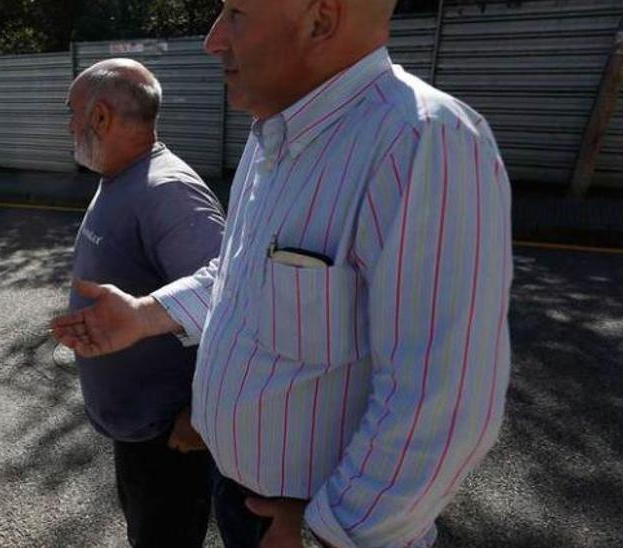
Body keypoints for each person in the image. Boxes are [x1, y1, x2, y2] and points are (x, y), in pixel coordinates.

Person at [52, 1, 513, 546]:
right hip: (248, 499)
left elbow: (447, 400)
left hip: (312, 526)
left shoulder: (423, 141)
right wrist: (145, 314)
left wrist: (331, 531)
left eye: (237, 14)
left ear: (320, 19)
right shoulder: (271, 136)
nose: (213, 40)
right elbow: (236, 275)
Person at [65, 59, 227, 547]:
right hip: (137, 430)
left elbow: (227, 301)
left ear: (100, 118)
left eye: (71, 113)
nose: (66, 126)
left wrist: (202, 415)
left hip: (170, 438)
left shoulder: (168, 191)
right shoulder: (122, 176)